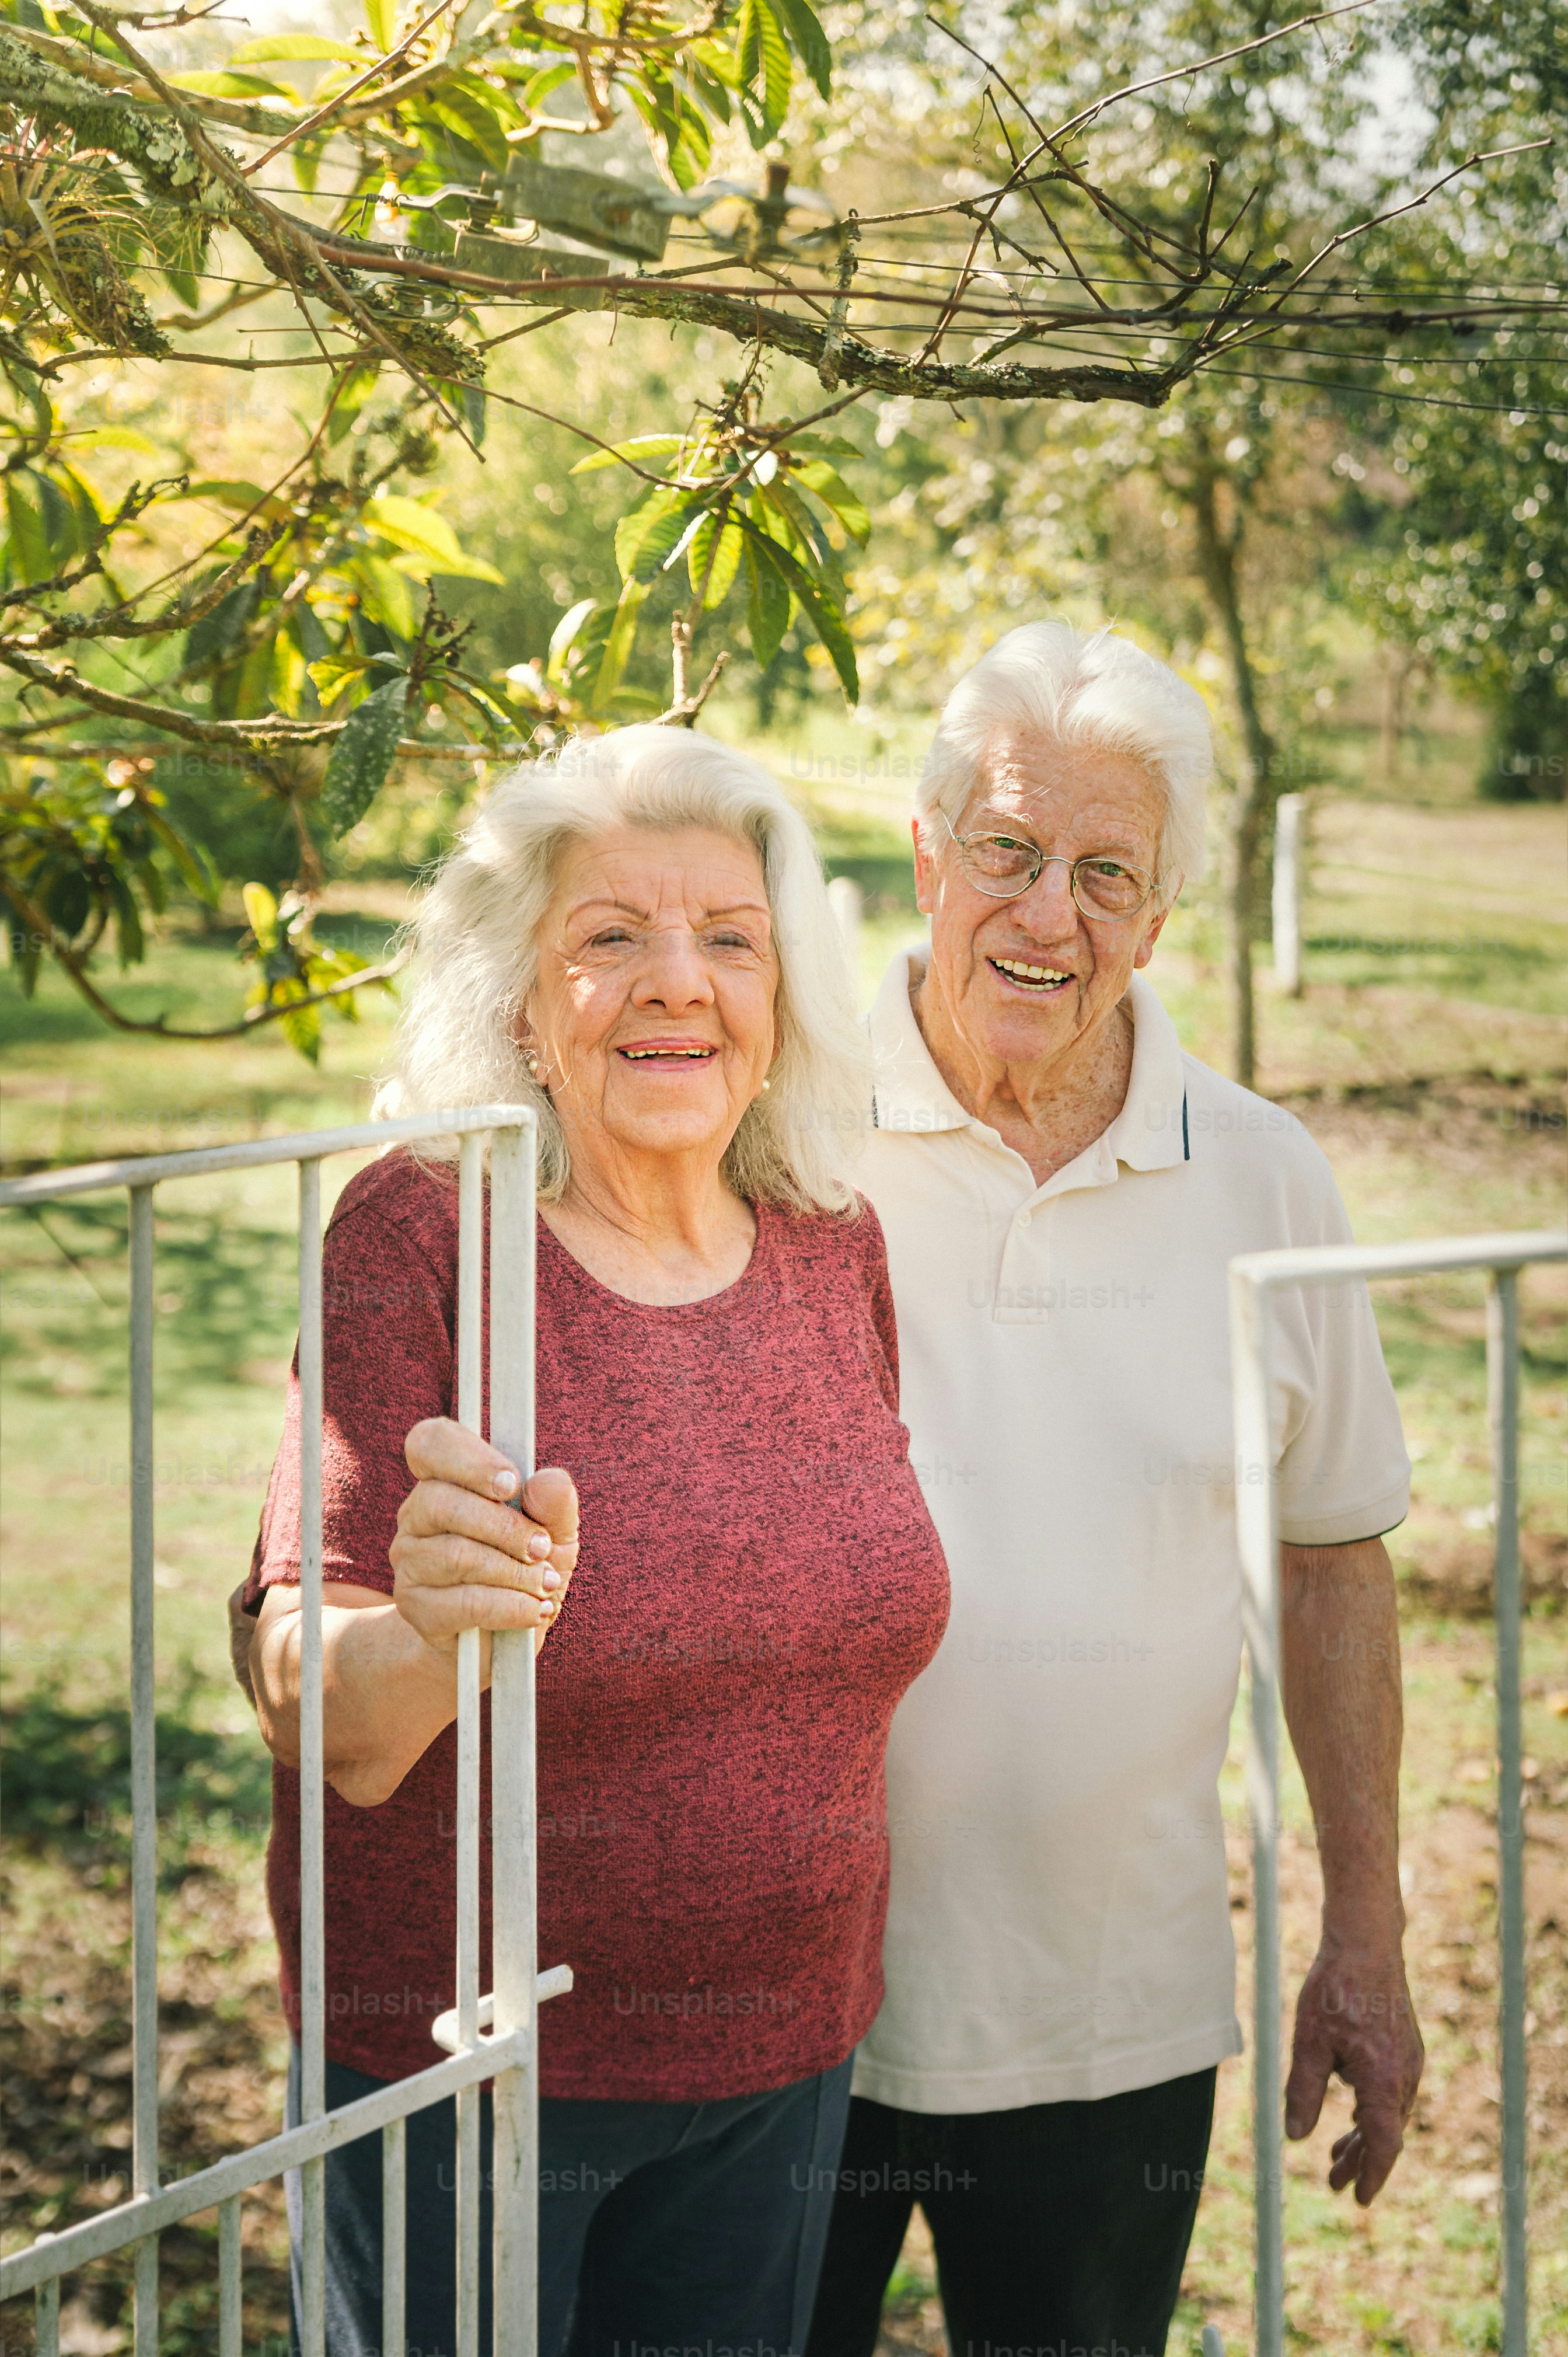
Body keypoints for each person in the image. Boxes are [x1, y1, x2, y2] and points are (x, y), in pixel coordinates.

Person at [240, 726, 951, 2357]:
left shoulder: (834, 1249)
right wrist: (432, 1637)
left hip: (786, 2051)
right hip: (467, 2072)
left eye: (729, 939)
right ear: (517, 1004)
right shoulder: (422, 1234)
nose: (677, 985)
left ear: (781, 1003)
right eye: (609, 938)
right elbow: (316, 1709)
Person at [807, 622, 1424, 2357]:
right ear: (927, 855)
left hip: (1114, 2020)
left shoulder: (1264, 1173)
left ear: (1158, 922)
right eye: (1005, 851)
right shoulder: (780, 1140)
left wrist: (1363, 1932)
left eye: (1105, 874)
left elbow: (1335, 1562)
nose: (1047, 914)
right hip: (786, 2016)